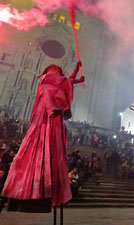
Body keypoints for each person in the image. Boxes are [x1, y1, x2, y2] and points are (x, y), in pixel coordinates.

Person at [1, 62, 84, 212]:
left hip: (51, 114)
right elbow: (65, 81)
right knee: (42, 140)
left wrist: (77, 72)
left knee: (45, 143)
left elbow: (67, 81)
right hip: (48, 112)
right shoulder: (49, 78)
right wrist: (76, 76)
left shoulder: (53, 79)